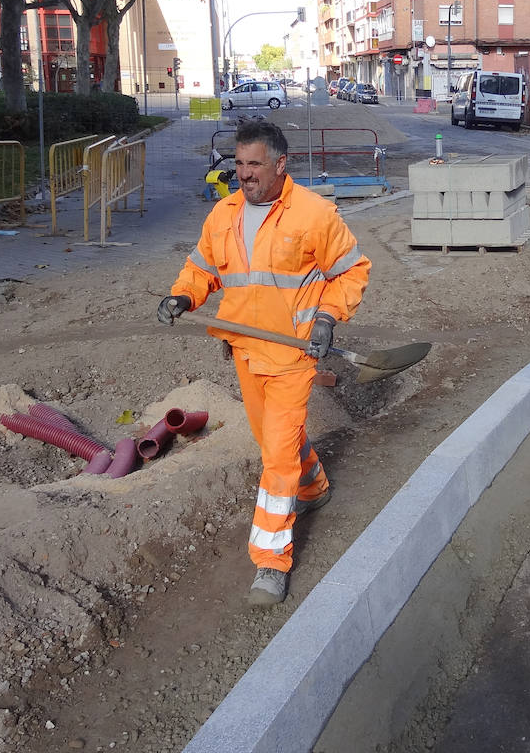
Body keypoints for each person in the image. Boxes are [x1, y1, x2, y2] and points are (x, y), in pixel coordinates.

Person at [157, 119, 371, 606]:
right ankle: (314, 484)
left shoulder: (312, 214)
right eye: (239, 164)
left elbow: (352, 271)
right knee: (272, 438)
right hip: (246, 349)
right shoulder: (224, 214)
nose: (244, 174)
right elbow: (202, 269)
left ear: (280, 164)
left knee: (274, 454)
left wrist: (326, 318)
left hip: (294, 354)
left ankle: (270, 562)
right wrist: (182, 297)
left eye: (254, 165)